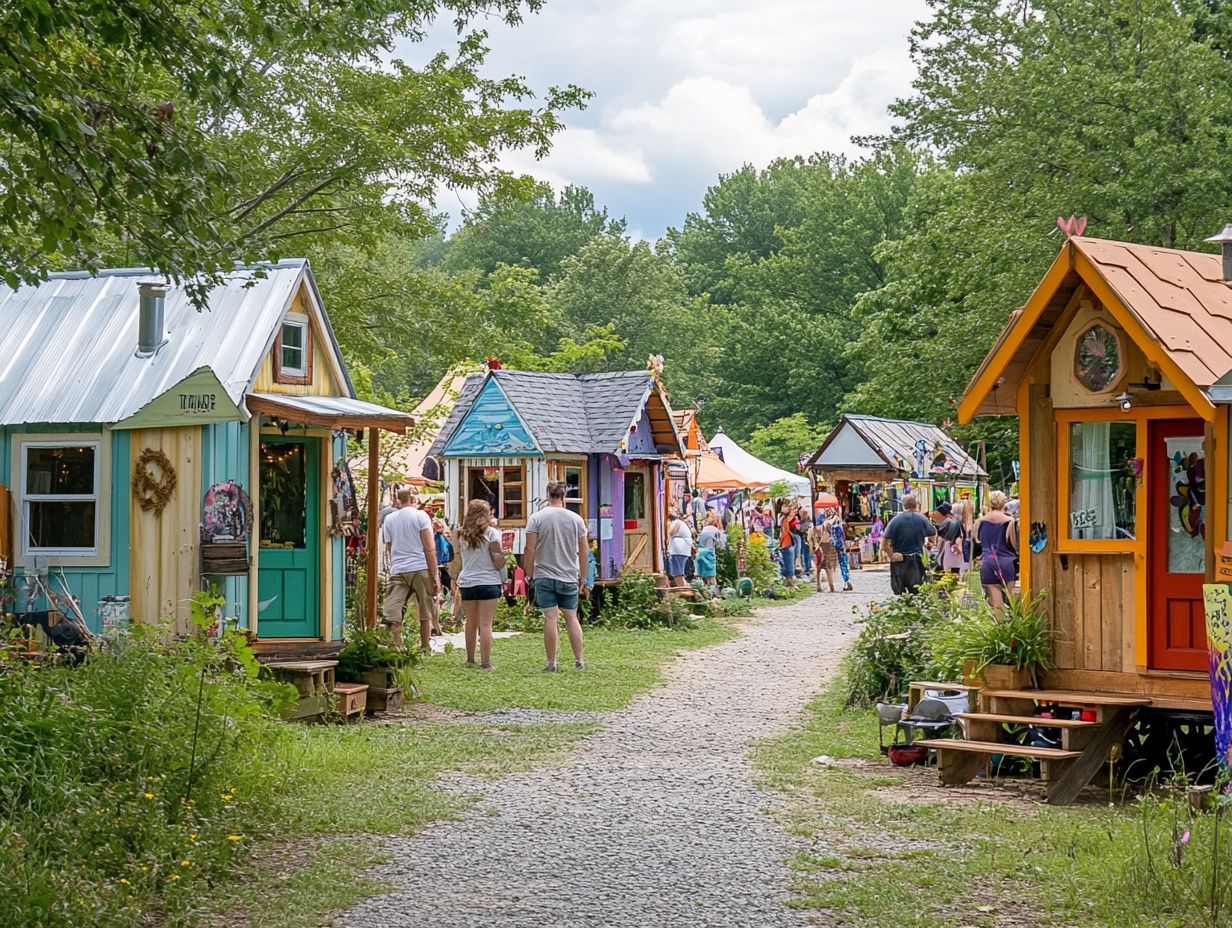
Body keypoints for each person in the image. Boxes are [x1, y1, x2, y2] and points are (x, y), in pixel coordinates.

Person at [524, 481, 589, 671]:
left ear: (548, 494)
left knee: (550, 618)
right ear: (564, 496)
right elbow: (584, 550)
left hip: (543, 574)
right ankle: (579, 660)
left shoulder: (536, 518)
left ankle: (551, 662)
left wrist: (529, 573)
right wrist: (582, 576)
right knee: (571, 617)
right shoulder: (576, 519)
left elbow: (530, 548)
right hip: (569, 575)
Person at [380, 487, 439, 650]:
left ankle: (396, 643)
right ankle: (425, 646)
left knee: (393, 608)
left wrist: (393, 564)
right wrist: (435, 575)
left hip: (398, 568)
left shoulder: (390, 519)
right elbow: (429, 548)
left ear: (399, 500)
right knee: (425, 609)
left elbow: (389, 546)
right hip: (420, 567)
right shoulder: (421, 516)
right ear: (414, 499)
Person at [456, 500, 506, 670]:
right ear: (485, 515)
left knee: (471, 622)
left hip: (468, 581)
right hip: (488, 581)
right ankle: (486, 662)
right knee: (486, 624)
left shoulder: (461, 534)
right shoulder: (492, 533)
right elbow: (498, 560)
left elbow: (456, 559)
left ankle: (470, 659)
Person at [882, 494, 936, 596]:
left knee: (899, 591)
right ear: (916, 504)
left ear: (903, 505)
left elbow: (884, 543)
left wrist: (891, 555)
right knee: (916, 591)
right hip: (916, 560)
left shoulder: (895, 520)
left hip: (899, 560)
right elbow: (933, 533)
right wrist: (930, 544)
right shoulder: (922, 519)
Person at [977, 491, 1019, 607]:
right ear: (1004, 503)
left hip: (988, 562)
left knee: (996, 603)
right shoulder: (1010, 521)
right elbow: (1014, 543)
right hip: (1007, 562)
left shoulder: (980, 522)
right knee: (1010, 602)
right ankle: (1011, 623)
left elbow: (977, 541)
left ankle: (998, 623)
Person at [695, 510, 726, 595]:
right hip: (709, 553)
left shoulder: (703, 530)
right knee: (712, 577)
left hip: (700, 552)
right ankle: (715, 595)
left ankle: (705, 595)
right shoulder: (715, 530)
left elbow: (697, 541)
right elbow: (721, 545)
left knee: (702, 577)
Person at [934, 501, 967, 577]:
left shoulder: (948, 522)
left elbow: (940, 536)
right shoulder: (959, 523)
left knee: (946, 572)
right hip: (956, 553)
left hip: (947, 551)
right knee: (955, 571)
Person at [808, 513, 836, 592]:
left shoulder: (812, 530)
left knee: (819, 568)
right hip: (825, 548)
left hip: (818, 549)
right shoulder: (825, 527)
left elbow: (809, 541)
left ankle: (819, 586)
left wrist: (811, 550)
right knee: (827, 568)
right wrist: (835, 517)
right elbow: (828, 523)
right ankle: (830, 586)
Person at [826, 510, 852, 591]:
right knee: (830, 565)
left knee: (843, 563)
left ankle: (846, 582)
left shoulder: (836, 520)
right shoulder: (827, 521)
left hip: (839, 544)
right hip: (832, 545)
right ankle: (831, 584)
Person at [666, 512, 693, 587]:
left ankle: (682, 589)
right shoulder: (681, 523)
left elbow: (671, 533)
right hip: (683, 549)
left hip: (678, 550)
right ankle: (684, 587)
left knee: (677, 573)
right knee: (679, 573)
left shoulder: (676, 523)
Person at [778, 502, 799, 587]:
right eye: (793, 511)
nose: (795, 513)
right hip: (786, 545)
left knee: (788, 565)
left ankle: (789, 582)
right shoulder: (784, 519)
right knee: (789, 566)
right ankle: (789, 583)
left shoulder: (782, 519)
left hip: (786, 544)